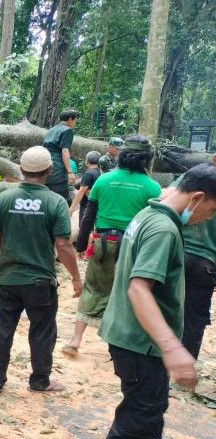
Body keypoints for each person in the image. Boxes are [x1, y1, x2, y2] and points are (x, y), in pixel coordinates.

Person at [99, 163, 216, 439]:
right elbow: (138, 288)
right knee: (137, 426)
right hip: (141, 344)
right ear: (197, 198)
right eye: (212, 210)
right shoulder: (164, 230)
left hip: (130, 335)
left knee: (144, 416)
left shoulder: (147, 215)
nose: (206, 219)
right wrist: (172, 347)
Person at [0, 146, 83, 394]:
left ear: (21, 170)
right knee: (41, 332)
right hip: (40, 282)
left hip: (9, 278)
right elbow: (63, 245)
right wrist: (75, 277)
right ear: (49, 171)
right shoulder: (55, 202)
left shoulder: (5, 199)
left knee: (4, 329)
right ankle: (40, 381)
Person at [63, 135, 161, 355]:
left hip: (103, 243)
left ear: (122, 156)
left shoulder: (104, 180)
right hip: (134, 246)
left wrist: (80, 246)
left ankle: (75, 340)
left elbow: (88, 216)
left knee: (93, 289)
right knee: (129, 292)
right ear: (146, 159)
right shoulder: (152, 188)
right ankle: (118, 347)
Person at [164, 155, 216, 360]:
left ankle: (162, 356)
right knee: (194, 316)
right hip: (207, 261)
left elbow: (167, 196)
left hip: (178, 249)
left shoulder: (192, 176)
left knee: (167, 304)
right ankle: (185, 363)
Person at [43, 109, 79, 204]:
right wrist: (70, 172)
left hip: (45, 165)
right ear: (70, 119)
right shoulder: (67, 130)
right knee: (63, 199)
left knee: (47, 195)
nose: (75, 123)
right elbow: (65, 150)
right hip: (58, 168)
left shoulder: (50, 130)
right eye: (75, 121)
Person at [69, 151, 101, 222]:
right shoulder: (99, 173)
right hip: (95, 206)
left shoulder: (88, 174)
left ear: (87, 161)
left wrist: (71, 209)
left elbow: (81, 191)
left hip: (87, 206)